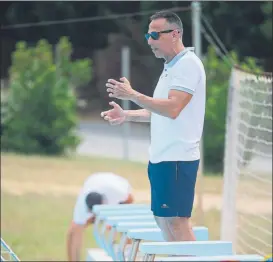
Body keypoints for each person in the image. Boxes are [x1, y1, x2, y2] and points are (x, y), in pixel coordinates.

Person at [101, 10, 206, 242]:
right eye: (148, 36)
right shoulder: (170, 67)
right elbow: (159, 112)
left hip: (178, 158)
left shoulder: (187, 65)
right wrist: (126, 114)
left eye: (155, 36)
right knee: (163, 220)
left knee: (177, 222)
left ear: (175, 34)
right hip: (161, 158)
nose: (149, 41)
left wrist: (132, 94)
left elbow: (172, 108)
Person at [67, 172, 134, 261]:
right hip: (93, 181)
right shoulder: (81, 207)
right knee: (75, 230)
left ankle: (128, 256)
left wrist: (115, 224)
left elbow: (130, 200)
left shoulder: (118, 193)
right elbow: (74, 231)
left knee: (125, 224)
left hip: (118, 184)